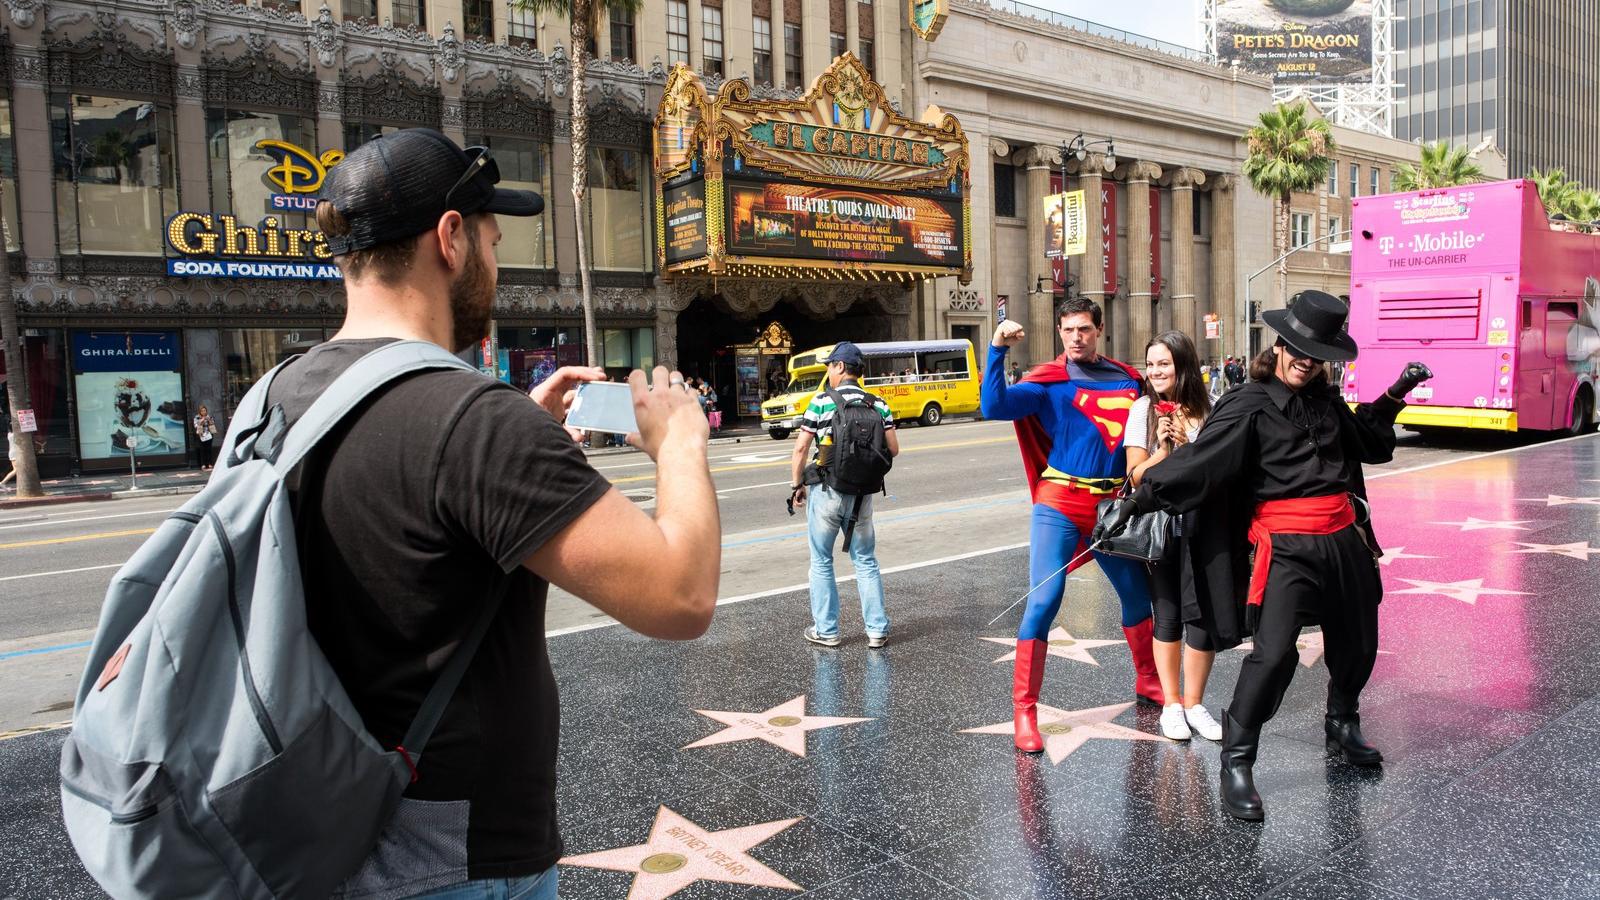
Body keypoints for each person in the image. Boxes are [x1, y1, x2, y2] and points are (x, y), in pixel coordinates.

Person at [272, 129, 719, 899]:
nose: (497, 261)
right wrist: (680, 440)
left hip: (318, 830)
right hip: (455, 860)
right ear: (451, 239)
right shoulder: (474, 422)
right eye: (492, 238)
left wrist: (515, 435)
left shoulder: (277, 396)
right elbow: (681, 596)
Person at [1097, 290, 1431, 821]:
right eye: (1298, 347)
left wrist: (1396, 393)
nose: (1306, 359)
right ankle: (1238, 759)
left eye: (1317, 352)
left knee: (1359, 641)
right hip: (1285, 548)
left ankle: (1342, 722)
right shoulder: (1248, 402)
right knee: (1273, 655)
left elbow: (1369, 444)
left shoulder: (1325, 400)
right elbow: (1200, 463)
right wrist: (1137, 500)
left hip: (1343, 538)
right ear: (1279, 345)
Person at [981, 298, 1161, 755]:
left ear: (1098, 328)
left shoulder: (1130, 378)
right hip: (1059, 502)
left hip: (1112, 509)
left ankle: (1148, 679)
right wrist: (997, 348)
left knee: (1138, 597)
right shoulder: (1048, 381)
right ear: (1059, 333)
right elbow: (994, 405)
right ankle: (1025, 709)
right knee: (1043, 600)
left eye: (1083, 328)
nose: (1075, 337)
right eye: (1067, 330)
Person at [1124, 331, 1222, 743]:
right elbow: (1135, 476)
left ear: (1182, 364)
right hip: (1162, 528)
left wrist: (1191, 443)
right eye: (1151, 364)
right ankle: (1172, 704)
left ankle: (1196, 703)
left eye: (1164, 363)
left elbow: (1219, 468)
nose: (1156, 372)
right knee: (1167, 614)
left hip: (1205, 524)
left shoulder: (1212, 408)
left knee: (1204, 617)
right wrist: (1165, 449)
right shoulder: (1142, 409)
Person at [788, 341, 900, 649]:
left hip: (827, 492)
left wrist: (796, 485)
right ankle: (876, 630)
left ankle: (828, 631)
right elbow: (893, 449)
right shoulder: (878, 403)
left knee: (822, 559)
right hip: (863, 493)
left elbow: (800, 448)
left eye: (829, 366)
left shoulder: (822, 401)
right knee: (865, 559)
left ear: (840, 367)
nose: (828, 371)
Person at [192, 405, 218, 470]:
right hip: (201, 435)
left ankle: (209, 463)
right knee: (202, 449)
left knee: (209, 449)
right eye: (202, 411)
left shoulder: (209, 416)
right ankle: (203, 464)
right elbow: (195, 425)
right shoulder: (197, 417)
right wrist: (201, 421)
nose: (203, 412)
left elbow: (212, 423)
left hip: (209, 435)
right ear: (200, 411)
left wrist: (209, 420)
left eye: (205, 410)